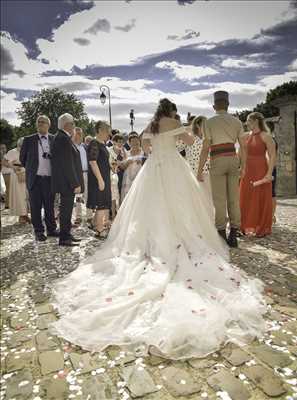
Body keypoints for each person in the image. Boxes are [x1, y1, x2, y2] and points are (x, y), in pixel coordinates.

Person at [50, 98, 266, 361]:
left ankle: (153, 244)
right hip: (174, 167)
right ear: (172, 110)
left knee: (151, 210)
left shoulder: (151, 124)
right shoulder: (175, 122)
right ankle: (179, 241)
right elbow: (188, 142)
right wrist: (182, 132)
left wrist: (158, 145)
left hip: (154, 169)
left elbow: (146, 143)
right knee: (181, 209)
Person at [197, 91, 245, 248]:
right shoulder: (237, 122)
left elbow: (205, 148)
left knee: (219, 199)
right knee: (234, 198)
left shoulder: (209, 123)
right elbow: (243, 147)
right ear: (228, 104)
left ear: (213, 106)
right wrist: (243, 166)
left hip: (217, 159)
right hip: (232, 159)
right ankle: (234, 233)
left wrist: (199, 170)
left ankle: (221, 232)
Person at [20, 115, 58, 241]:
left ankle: (51, 229)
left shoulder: (54, 139)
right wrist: (32, 169)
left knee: (49, 206)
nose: (41, 124)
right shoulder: (28, 139)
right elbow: (22, 159)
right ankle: (39, 231)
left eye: (43, 122)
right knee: (35, 207)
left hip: (49, 179)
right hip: (35, 179)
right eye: (39, 122)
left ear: (49, 125)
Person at [240, 112, 276, 237]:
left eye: (248, 121)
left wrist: (269, 173)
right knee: (246, 196)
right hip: (248, 169)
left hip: (261, 168)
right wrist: (242, 168)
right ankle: (246, 225)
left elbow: (272, 156)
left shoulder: (266, 136)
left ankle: (262, 227)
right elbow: (243, 154)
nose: (246, 123)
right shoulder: (246, 136)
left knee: (260, 197)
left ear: (255, 121)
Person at [51, 113, 84, 247]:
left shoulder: (61, 137)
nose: (74, 126)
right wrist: (75, 183)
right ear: (67, 125)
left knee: (66, 210)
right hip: (66, 183)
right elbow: (67, 164)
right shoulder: (63, 138)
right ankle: (64, 238)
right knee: (66, 211)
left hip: (64, 182)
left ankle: (67, 234)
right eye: (73, 123)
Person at [178, 116, 214, 219]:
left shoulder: (210, 138)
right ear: (197, 125)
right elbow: (175, 148)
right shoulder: (190, 137)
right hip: (193, 174)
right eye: (204, 124)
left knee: (208, 200)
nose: (207, 127)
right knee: (195, 201)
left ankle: (210, 222)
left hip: (208, 172)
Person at [87, 120, 112, 239]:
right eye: (107, 131)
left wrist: (112, 166)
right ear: (100, 130)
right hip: (99, 178)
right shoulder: (94, 143)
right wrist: (100, 180)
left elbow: (102, 161)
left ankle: (97, 226)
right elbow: (92, 162)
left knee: (103, 203)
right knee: (101, 203)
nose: (109, 133)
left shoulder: (102, 144)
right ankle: (99, 229)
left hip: (104, 177)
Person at [4, 138, 30, 223]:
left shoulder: (28, 150)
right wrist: (13, 167)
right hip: (16, 175)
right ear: (18, 145)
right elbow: (4, 162)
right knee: (19, 196)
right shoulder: (12, 152)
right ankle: (23, 216)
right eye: (21, 145)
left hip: (27, 174)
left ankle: (24, 215)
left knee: (27, 195)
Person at [72, 127, 93, 226]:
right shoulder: (71, 147)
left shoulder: (85, 147)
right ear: (74, 134)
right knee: (78, 196)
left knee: (88, 195)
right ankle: (78, 216)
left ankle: (89, 216)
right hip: (77, 174)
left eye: (81, 134)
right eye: (78, 134)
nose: (80, 136)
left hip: (87, 173)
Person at [121, 132, 144, 202]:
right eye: (133, 142)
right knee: (129, 198)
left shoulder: (143, 152)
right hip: (129, 179)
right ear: (129, 143)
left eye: (137, 141)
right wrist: (127, 162)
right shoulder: (127, 153)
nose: (135, 143)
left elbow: (148, 164)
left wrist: (141, 162)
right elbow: (123, 167)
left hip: (140, 178)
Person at [107, 134, 127, 198]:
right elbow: (108, 162)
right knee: (113, 196)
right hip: (111, 175)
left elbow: (126, 162)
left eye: (122, 142)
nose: (121, 144)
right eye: (119, 142)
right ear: (114, 142)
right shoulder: (109, 151)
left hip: (122, 174)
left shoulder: (124, 151)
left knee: (121, 193)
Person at [1, 143, 12, 209]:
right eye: (2, 148)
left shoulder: (8, 155)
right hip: (1, 174)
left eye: (4, 148)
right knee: (3, 190)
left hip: (8, 174)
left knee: (8, 190)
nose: (3, 149)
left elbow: (9, 164)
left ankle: (7, 205)